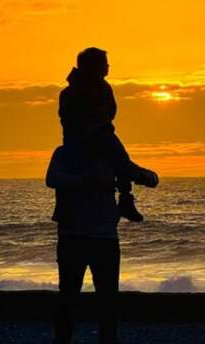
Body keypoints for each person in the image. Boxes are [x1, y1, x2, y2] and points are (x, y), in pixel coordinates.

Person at [44, 137, 155, 344]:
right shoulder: (64, 153)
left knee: (107, 299)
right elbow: (52, 179)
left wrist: (145, 176)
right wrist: (87, 180)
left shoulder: (109, 153)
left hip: (104, 235)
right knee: (68, 297)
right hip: (73, 234)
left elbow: (127, 168)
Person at [58, 47, 157, 222]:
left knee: (119, 156)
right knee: (120, 158)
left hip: (95, 134)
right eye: (105, 63)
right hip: (91, 136)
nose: (108, 67)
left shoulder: (96, 87)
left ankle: (126, 197)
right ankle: (134, 185)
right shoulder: (80, 91)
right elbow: (91, 116)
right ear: (94, 66)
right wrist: (95, 130)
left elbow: (110, 112)